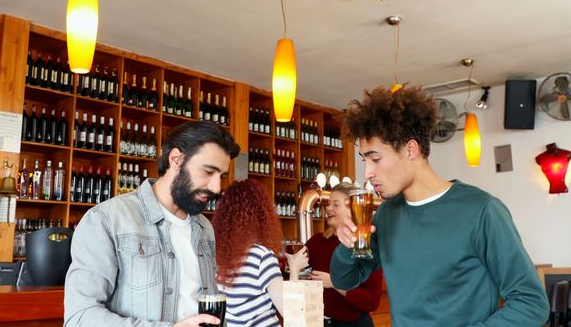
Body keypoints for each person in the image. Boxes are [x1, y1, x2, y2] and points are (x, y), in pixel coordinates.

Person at [330, 87, 550, 326]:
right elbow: (345, 279)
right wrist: (347, 247)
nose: (368, 173)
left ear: (410, 149)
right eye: (365, 160)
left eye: (375, 159)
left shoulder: (482, 211)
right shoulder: (386, 214)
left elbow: (531, 302)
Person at [64, 121, 240, 327]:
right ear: (176, 159)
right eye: (209, 172)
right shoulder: (106, 219)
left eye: (222, 176)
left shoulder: (204, 228)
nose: (217, 187)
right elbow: (79, 317)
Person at [212, 179, 308, 327]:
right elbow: (293, 314)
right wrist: (294, 267)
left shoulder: (216, 257)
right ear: (262, 215)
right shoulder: (261, 257)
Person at [302, 182, 382, 327]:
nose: (328, 208)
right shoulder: (316, 242)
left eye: (335, 204)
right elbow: (296, 271)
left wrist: (335, 283)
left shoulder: (365, 244)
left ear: (353, 208)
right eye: (328, 203)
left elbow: (371, 302)